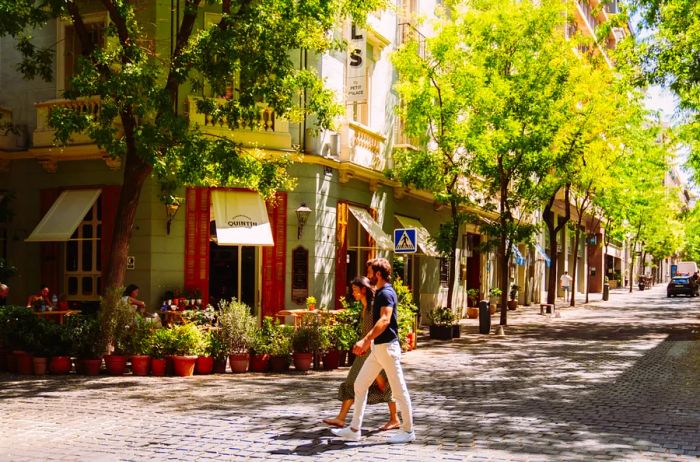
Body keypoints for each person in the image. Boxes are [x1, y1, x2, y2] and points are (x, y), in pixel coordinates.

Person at [331, 258, 415, 444]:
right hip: (378, 349)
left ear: (378, 274)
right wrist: (370, 343)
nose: (367, 275)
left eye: (370, 272)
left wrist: (366, 339)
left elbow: (384, 320)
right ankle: (354, 429)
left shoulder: (386, 293)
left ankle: (408, 431)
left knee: (399, 390)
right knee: (360, 385)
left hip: (387, 348)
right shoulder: (380, 292)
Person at [322, 276, 400, 431]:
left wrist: (367, 346)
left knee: (385, 385)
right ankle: (341, 418)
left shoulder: (372, 307)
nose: (353, 293)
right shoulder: (365, 307)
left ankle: (395, 419)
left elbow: (377, 329)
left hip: (375, 352)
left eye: (356, 290)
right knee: (354, 382)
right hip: (365, 353)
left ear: (364, 290)